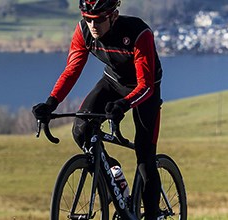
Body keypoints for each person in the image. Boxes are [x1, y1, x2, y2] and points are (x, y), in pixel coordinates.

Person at [32, 0, 163, 219]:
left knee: (145, 157)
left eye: (99, 20)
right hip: (112, 82)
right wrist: (50, 103)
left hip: (144, 89)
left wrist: (124, 104)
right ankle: (114, 174)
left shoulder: (138, 32)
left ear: (113, 16)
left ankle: (153, 214)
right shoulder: (84, 31)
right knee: (82, 130)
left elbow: (146, 86)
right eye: (87, 19)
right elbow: (72, 70)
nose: (93, 25)